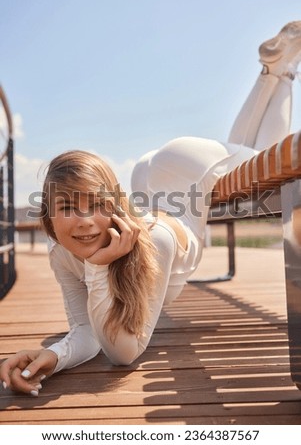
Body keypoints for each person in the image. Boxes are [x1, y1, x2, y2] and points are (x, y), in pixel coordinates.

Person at [1, 21, 301, 397]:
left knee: (260, 161)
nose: (83, 222)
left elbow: (123, 352)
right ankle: (274, 69)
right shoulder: (61, 252)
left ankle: (283, 72)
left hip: (186, 164)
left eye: (96, 204)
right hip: (154, 176)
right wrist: (53, 355)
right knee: (241, 152)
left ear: (114, 204)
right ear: (47, 217)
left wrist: (95, 268)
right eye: (66, 208)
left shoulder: (152, 241)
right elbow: (87, 332)